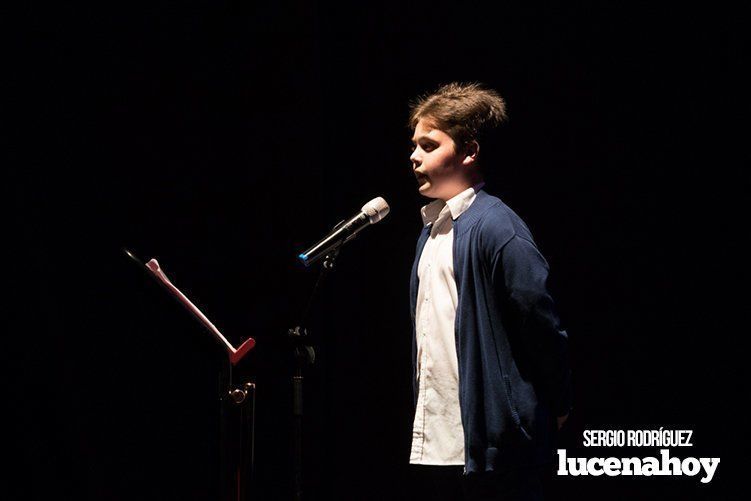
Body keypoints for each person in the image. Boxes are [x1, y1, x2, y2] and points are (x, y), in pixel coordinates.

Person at [407, 82, 572, 500]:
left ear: (469, 152)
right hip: (440, 440)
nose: (414, 156)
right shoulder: (431, 231)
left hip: (496, 448)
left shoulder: (498, 229)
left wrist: (556, 400)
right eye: (414, 145)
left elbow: (539, 319)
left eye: (428, 145)